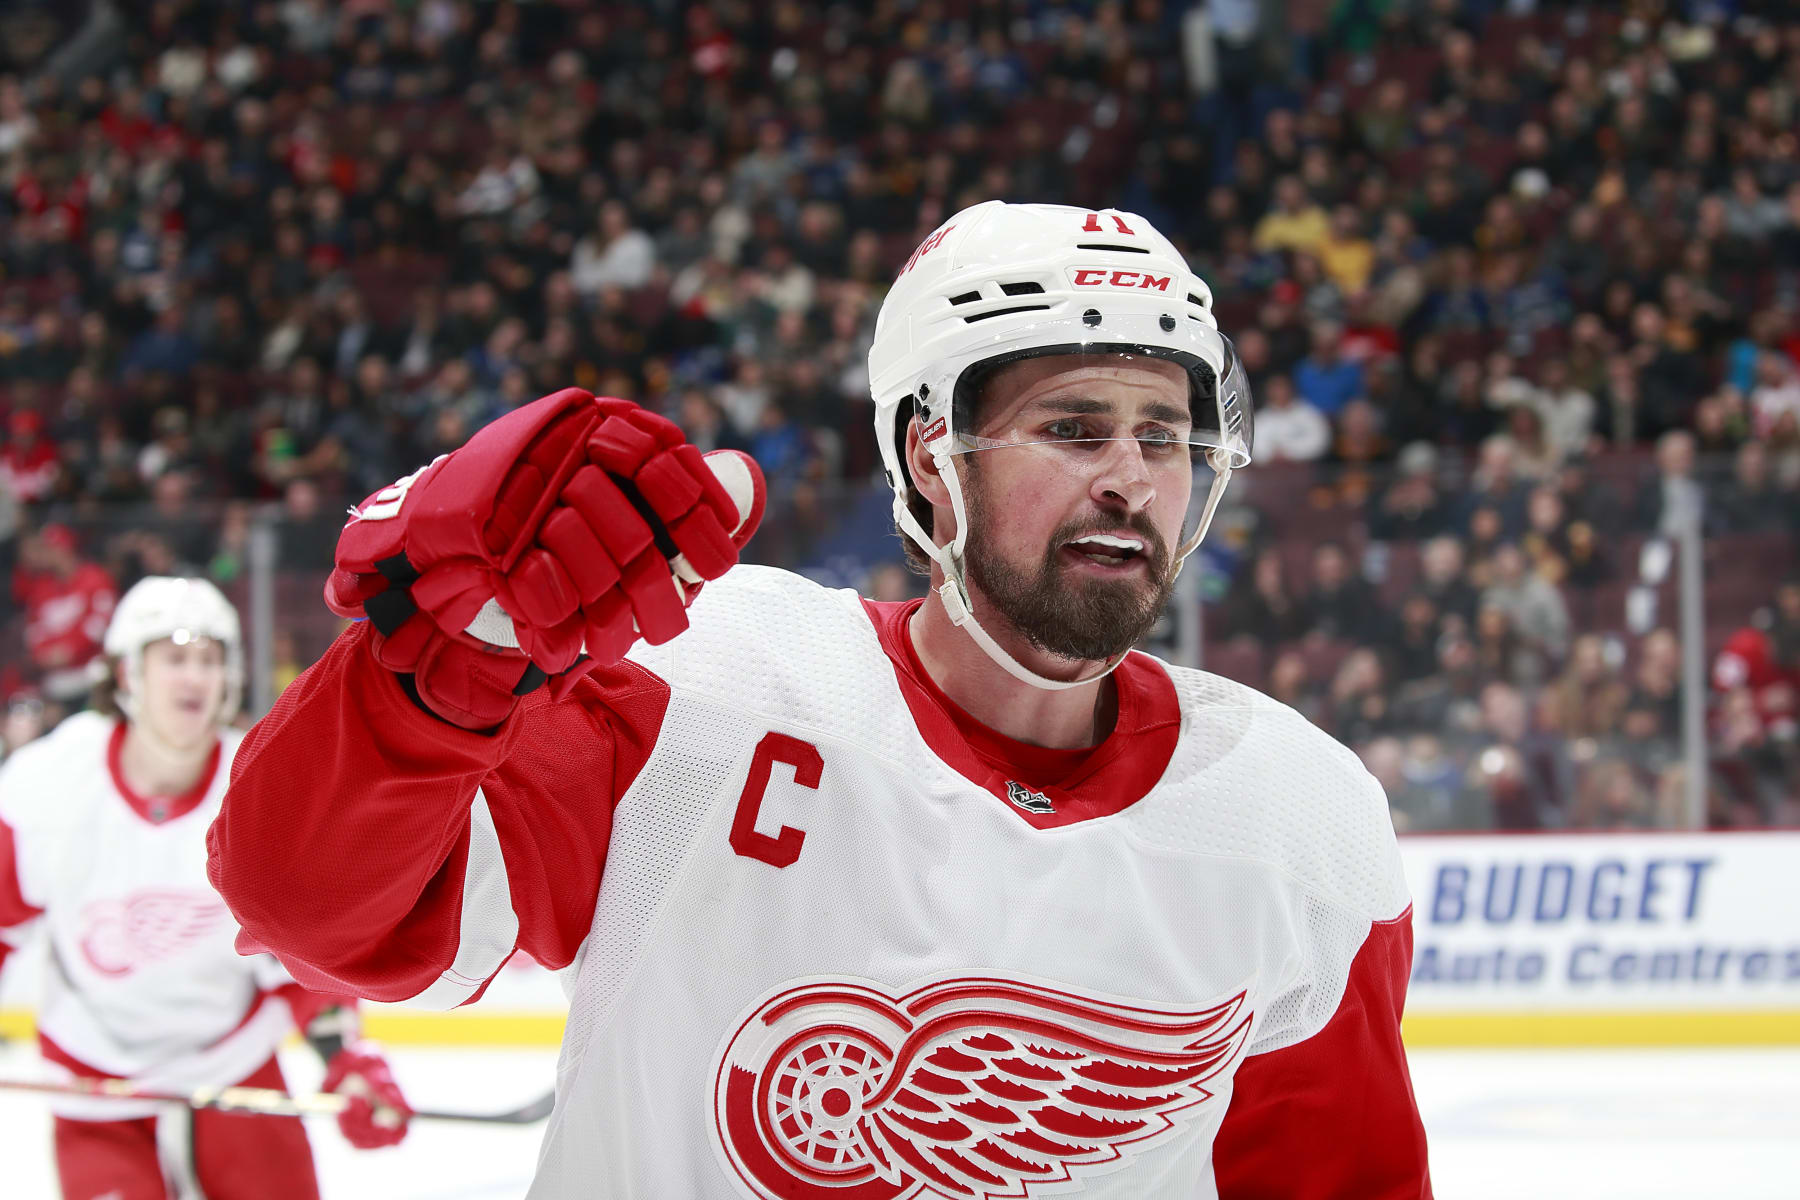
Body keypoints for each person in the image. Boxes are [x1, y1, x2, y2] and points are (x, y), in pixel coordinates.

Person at [211, 203, 1431, 1197]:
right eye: (1074, 427)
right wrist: (441, 666)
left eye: (1164, 437)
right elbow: (313, 913)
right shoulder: (701, 684)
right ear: (930, 455)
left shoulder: (1296, 815)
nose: (1131, 479)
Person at [0, 576, 411, 1200]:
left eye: (210, 659)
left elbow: (303, 954)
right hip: (94, 1078)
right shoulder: (47, 785)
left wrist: (345, 1060)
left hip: (232, 1060)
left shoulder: (263, 785)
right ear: (126, 674)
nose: (194, 677)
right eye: (173, 657)